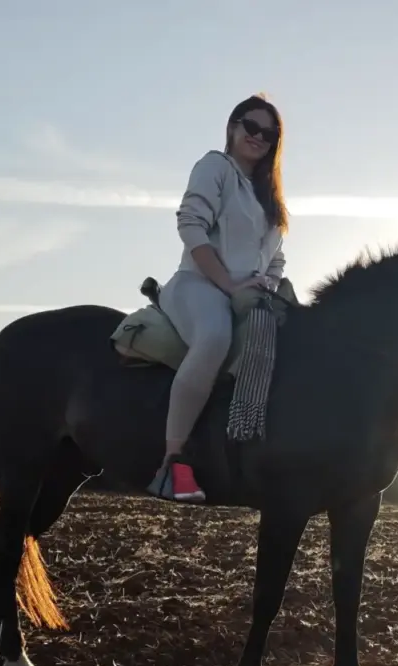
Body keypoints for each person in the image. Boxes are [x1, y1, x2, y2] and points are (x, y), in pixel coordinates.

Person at [147, 94, 290, 503]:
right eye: (251, 127)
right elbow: (191, 225)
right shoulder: (215, 167)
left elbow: (276, 259)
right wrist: (228, 284)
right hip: (199, 285)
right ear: (232, 127)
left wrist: (266, 284)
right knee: (214, 337)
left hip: (250, 295)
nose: (258, 137)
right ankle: (172, 463)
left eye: (269, 134)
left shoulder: (269, 197)